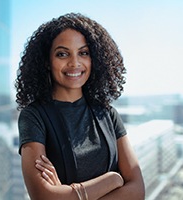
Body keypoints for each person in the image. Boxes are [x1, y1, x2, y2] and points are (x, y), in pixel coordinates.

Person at [15, 13, 145, 200]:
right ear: (46, 62)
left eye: (83, 53)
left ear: (95, 59)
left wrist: (70, 194)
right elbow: (44, 196)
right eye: (62, 54)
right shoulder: (33, 116)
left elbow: (137, 191)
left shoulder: (107, 113)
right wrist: (112, 180)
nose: (74, 63)